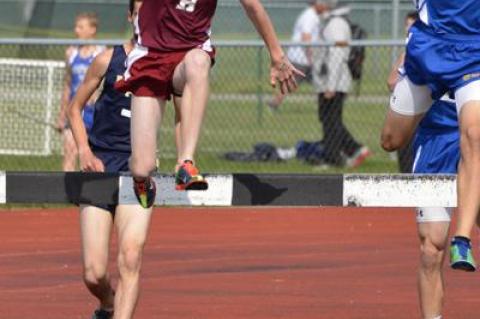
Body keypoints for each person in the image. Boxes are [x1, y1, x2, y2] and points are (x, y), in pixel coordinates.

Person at [115, 0, 304, 208]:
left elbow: (253, 7)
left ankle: (185, 163)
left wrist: (276, 55)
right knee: (143, 166)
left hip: (188, 55)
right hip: (150, 56)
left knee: (199, 61)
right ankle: (140, 180)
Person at [67, 1, 155, 318]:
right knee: (94, 273)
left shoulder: (166, 65)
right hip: (101, 166)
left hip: (140, 170)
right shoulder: (107, 59)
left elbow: (184, 111)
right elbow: (74, 109)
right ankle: (107, 303)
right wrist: (85, 151)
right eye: (140, 12)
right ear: (131, 16)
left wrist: (185, 155)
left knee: (131, 256)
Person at [380, 0, 480, 271]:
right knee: (391, 140)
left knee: (474, 134)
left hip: (474, 50)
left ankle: (462, 239)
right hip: (430, 49)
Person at [312, 0, 370, 168]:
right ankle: (354, 149)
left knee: (331, 120)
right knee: (329, 119)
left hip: (335, 82)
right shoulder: (333, 21)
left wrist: (330, 86)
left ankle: (333, 158)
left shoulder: (336, 23)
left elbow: (336, 55)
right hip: (332, 81)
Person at [56, 12, 103, 171]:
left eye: (81, 27)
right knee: (70, 153)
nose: (77, 31)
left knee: (92, 159)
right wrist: (62, 115)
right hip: (75, 112)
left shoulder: (101, 54)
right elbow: (67, 86)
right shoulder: (71, 53)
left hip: (95, 114)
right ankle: (67, 195)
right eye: (76, 27)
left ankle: (91, 194)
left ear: (92, 29)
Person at [267, 0, 321, 111]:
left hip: (304, 58)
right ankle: (273, 104)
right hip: (301, 58)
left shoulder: (314, 15)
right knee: (291, 83)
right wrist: (310, 56)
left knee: (320, 81)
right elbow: (306, 36)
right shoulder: (310, 16)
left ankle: (324, 104)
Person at [387, 11, 418, 173]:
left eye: (411, 25)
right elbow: (391, 81)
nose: (408, 29)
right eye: (406, 25)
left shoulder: (415, 51)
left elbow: (392, 81)